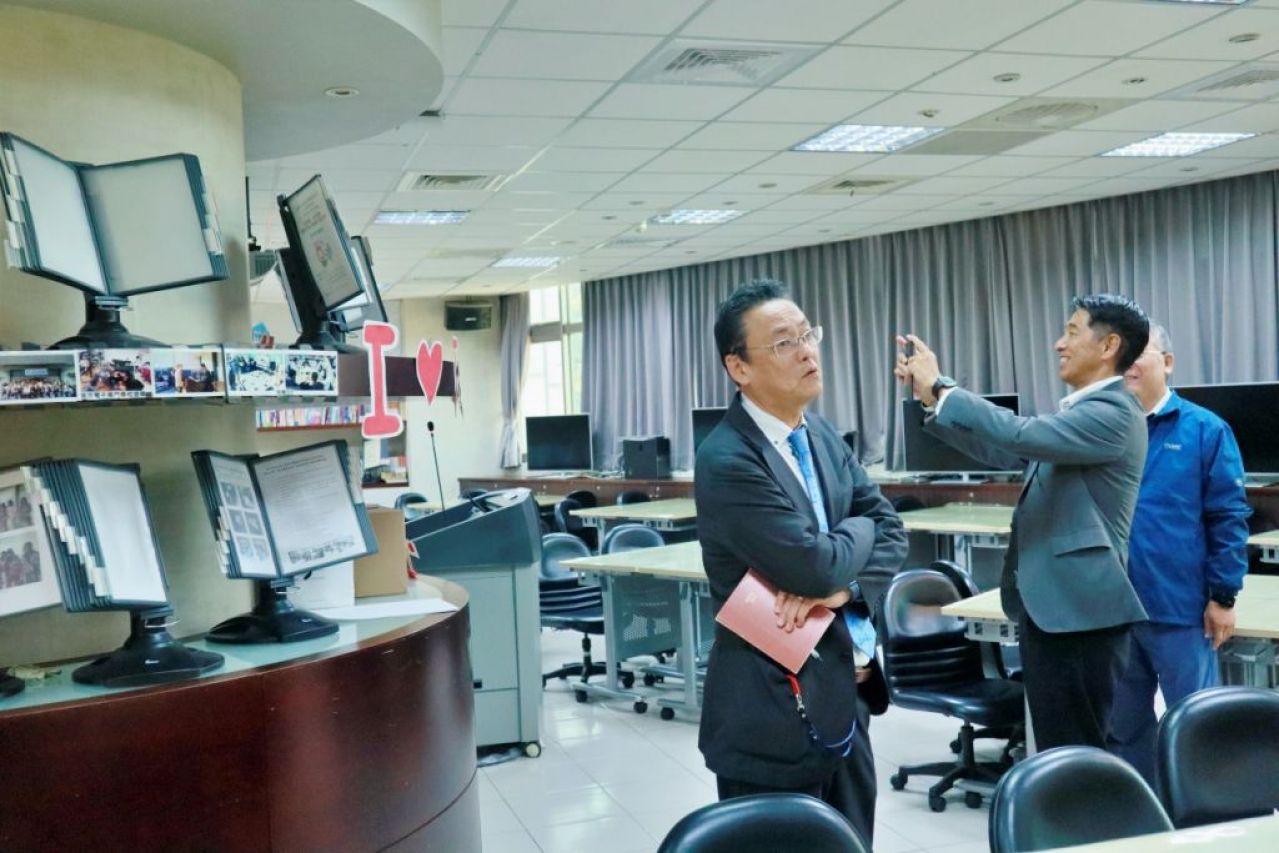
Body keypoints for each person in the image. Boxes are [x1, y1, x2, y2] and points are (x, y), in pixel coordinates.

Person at [695, 279, 907, 843]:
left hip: (846, 694)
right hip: (771, 713)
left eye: (808, 335)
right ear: (739, 367)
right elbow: (815, 566)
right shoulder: (727, 458)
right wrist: (853, 539)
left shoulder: (821, 435)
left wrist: (845, 589)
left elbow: (891, 529)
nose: (807, 351)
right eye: (784, 342)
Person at [895, 293, 1150, 750]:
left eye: (1071, 332)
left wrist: (944, 388)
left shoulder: (1113, 413)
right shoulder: (1080, 414)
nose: (1058, 344)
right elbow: (1006, 450)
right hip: (1058, 612)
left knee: (1073, 753)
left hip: (1079, 617)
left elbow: (1017, 433)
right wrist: (931, 403)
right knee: (1058, 747)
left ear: (1109, 345)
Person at [1107, 323, 1251, 782]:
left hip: (1180, 609)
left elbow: (1228, 517)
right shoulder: (1105, 430)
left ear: (1167, 362)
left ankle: (1203, 813)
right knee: (1124, 729)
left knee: (1196, 724)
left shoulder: (1205, 430)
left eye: (1139, 352)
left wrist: (1223, 596)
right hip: (1114, 610)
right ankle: (1142, 811)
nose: (1127, 363)